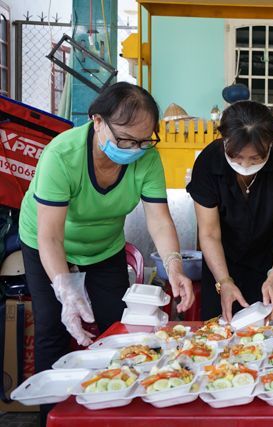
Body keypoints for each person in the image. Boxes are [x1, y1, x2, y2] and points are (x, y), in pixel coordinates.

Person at [18, 82, 194, 424]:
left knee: (118, 327)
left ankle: (113, 411)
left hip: (104, 247)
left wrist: (174, 268)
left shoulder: (147, 158)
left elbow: (158, 220)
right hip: (47, 242)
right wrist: (64, 289)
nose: (136, 149)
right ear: (97, 120)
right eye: (126, 140)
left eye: (145, 141)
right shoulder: (61, 155)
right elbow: (50, 237)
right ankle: (50, 418)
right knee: (53, 326)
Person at [186, 101, 273, 322]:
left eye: (255, 158)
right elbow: (209, 233)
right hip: (222, 259)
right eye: (236, 157)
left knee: (270, 332)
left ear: (272, 142)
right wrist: (223, 281)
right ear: (224, 141)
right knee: (219, 333)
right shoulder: (207, 163)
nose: (244, 165)